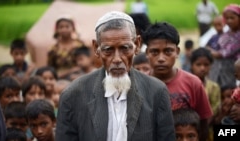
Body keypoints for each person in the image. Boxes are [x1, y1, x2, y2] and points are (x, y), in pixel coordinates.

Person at [56, 11, 175, 141]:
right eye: (108, 50)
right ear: (96, 48)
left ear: (137, 44)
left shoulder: (156, 92)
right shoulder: (73, 95)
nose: (117, 59)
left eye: (125, 48)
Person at [143, 22, 213, 141]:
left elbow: (204, 123)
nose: (161, 58)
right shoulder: (139, 84)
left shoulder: (193, 83)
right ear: (147, 53)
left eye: (168, 51)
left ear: (177, 51)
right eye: (155, 52)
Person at [208, 4, 240, 87]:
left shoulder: (238, 36)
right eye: (227, 18)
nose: (229, 21)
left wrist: (208, 51)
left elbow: (224, 53)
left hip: (233, 71)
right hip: (220, 70)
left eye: (232, 18)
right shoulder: (226, 33)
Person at [190, 48, 220, 114]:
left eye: (206, 65)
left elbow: (215, 109)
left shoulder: (214, 87)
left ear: (210, 66)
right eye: (198, 64)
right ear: (192, 65)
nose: (202, 68)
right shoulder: (186, 85)